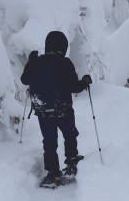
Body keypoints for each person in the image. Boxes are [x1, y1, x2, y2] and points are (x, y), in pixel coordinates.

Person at [21, 31, 92, 188]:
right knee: (69, 134)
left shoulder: (37, 62)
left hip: (42, 111)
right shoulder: (64, 62)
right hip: (63, 110)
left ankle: (52, 173)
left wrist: (30, 62)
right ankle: (72, 163)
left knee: (49, 141)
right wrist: (86, 81)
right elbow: (74, 87)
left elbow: (24, 79)